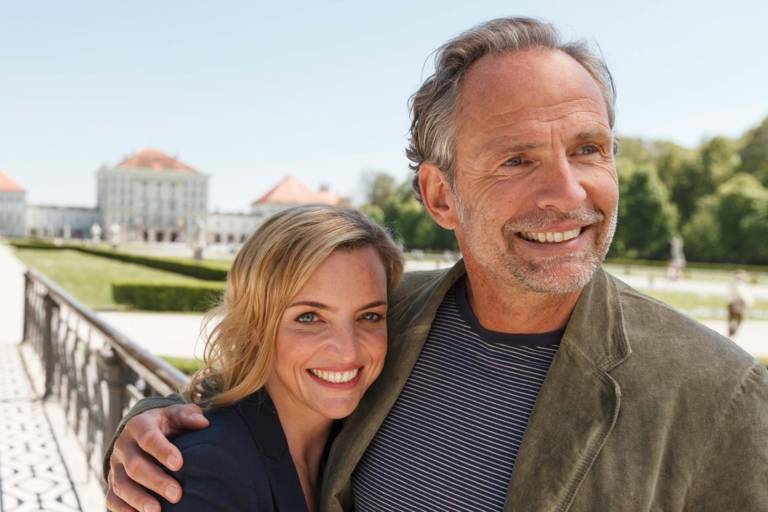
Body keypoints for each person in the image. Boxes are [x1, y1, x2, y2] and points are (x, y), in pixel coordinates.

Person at [105, 17, 768, 512]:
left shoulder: (719, 396)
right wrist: (151, 424)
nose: (568, 192)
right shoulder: (385, 316)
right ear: (439, 195)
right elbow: (249, 385)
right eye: (517, 159)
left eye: (589, 149)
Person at [126, 205, 403, 511]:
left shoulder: (356, 449)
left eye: (369, 316)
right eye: (310, 317)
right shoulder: (206, 471)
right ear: (255, 326)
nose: (348, 350)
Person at [727, 269, 754, 337]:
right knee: (735, 318)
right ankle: (732, 332)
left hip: (738, 304)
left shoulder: (743, 284)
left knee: (737, 319)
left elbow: (748, 295)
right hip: (736, 303)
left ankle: (732, 332)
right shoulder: (735, 284)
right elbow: (742, 295)